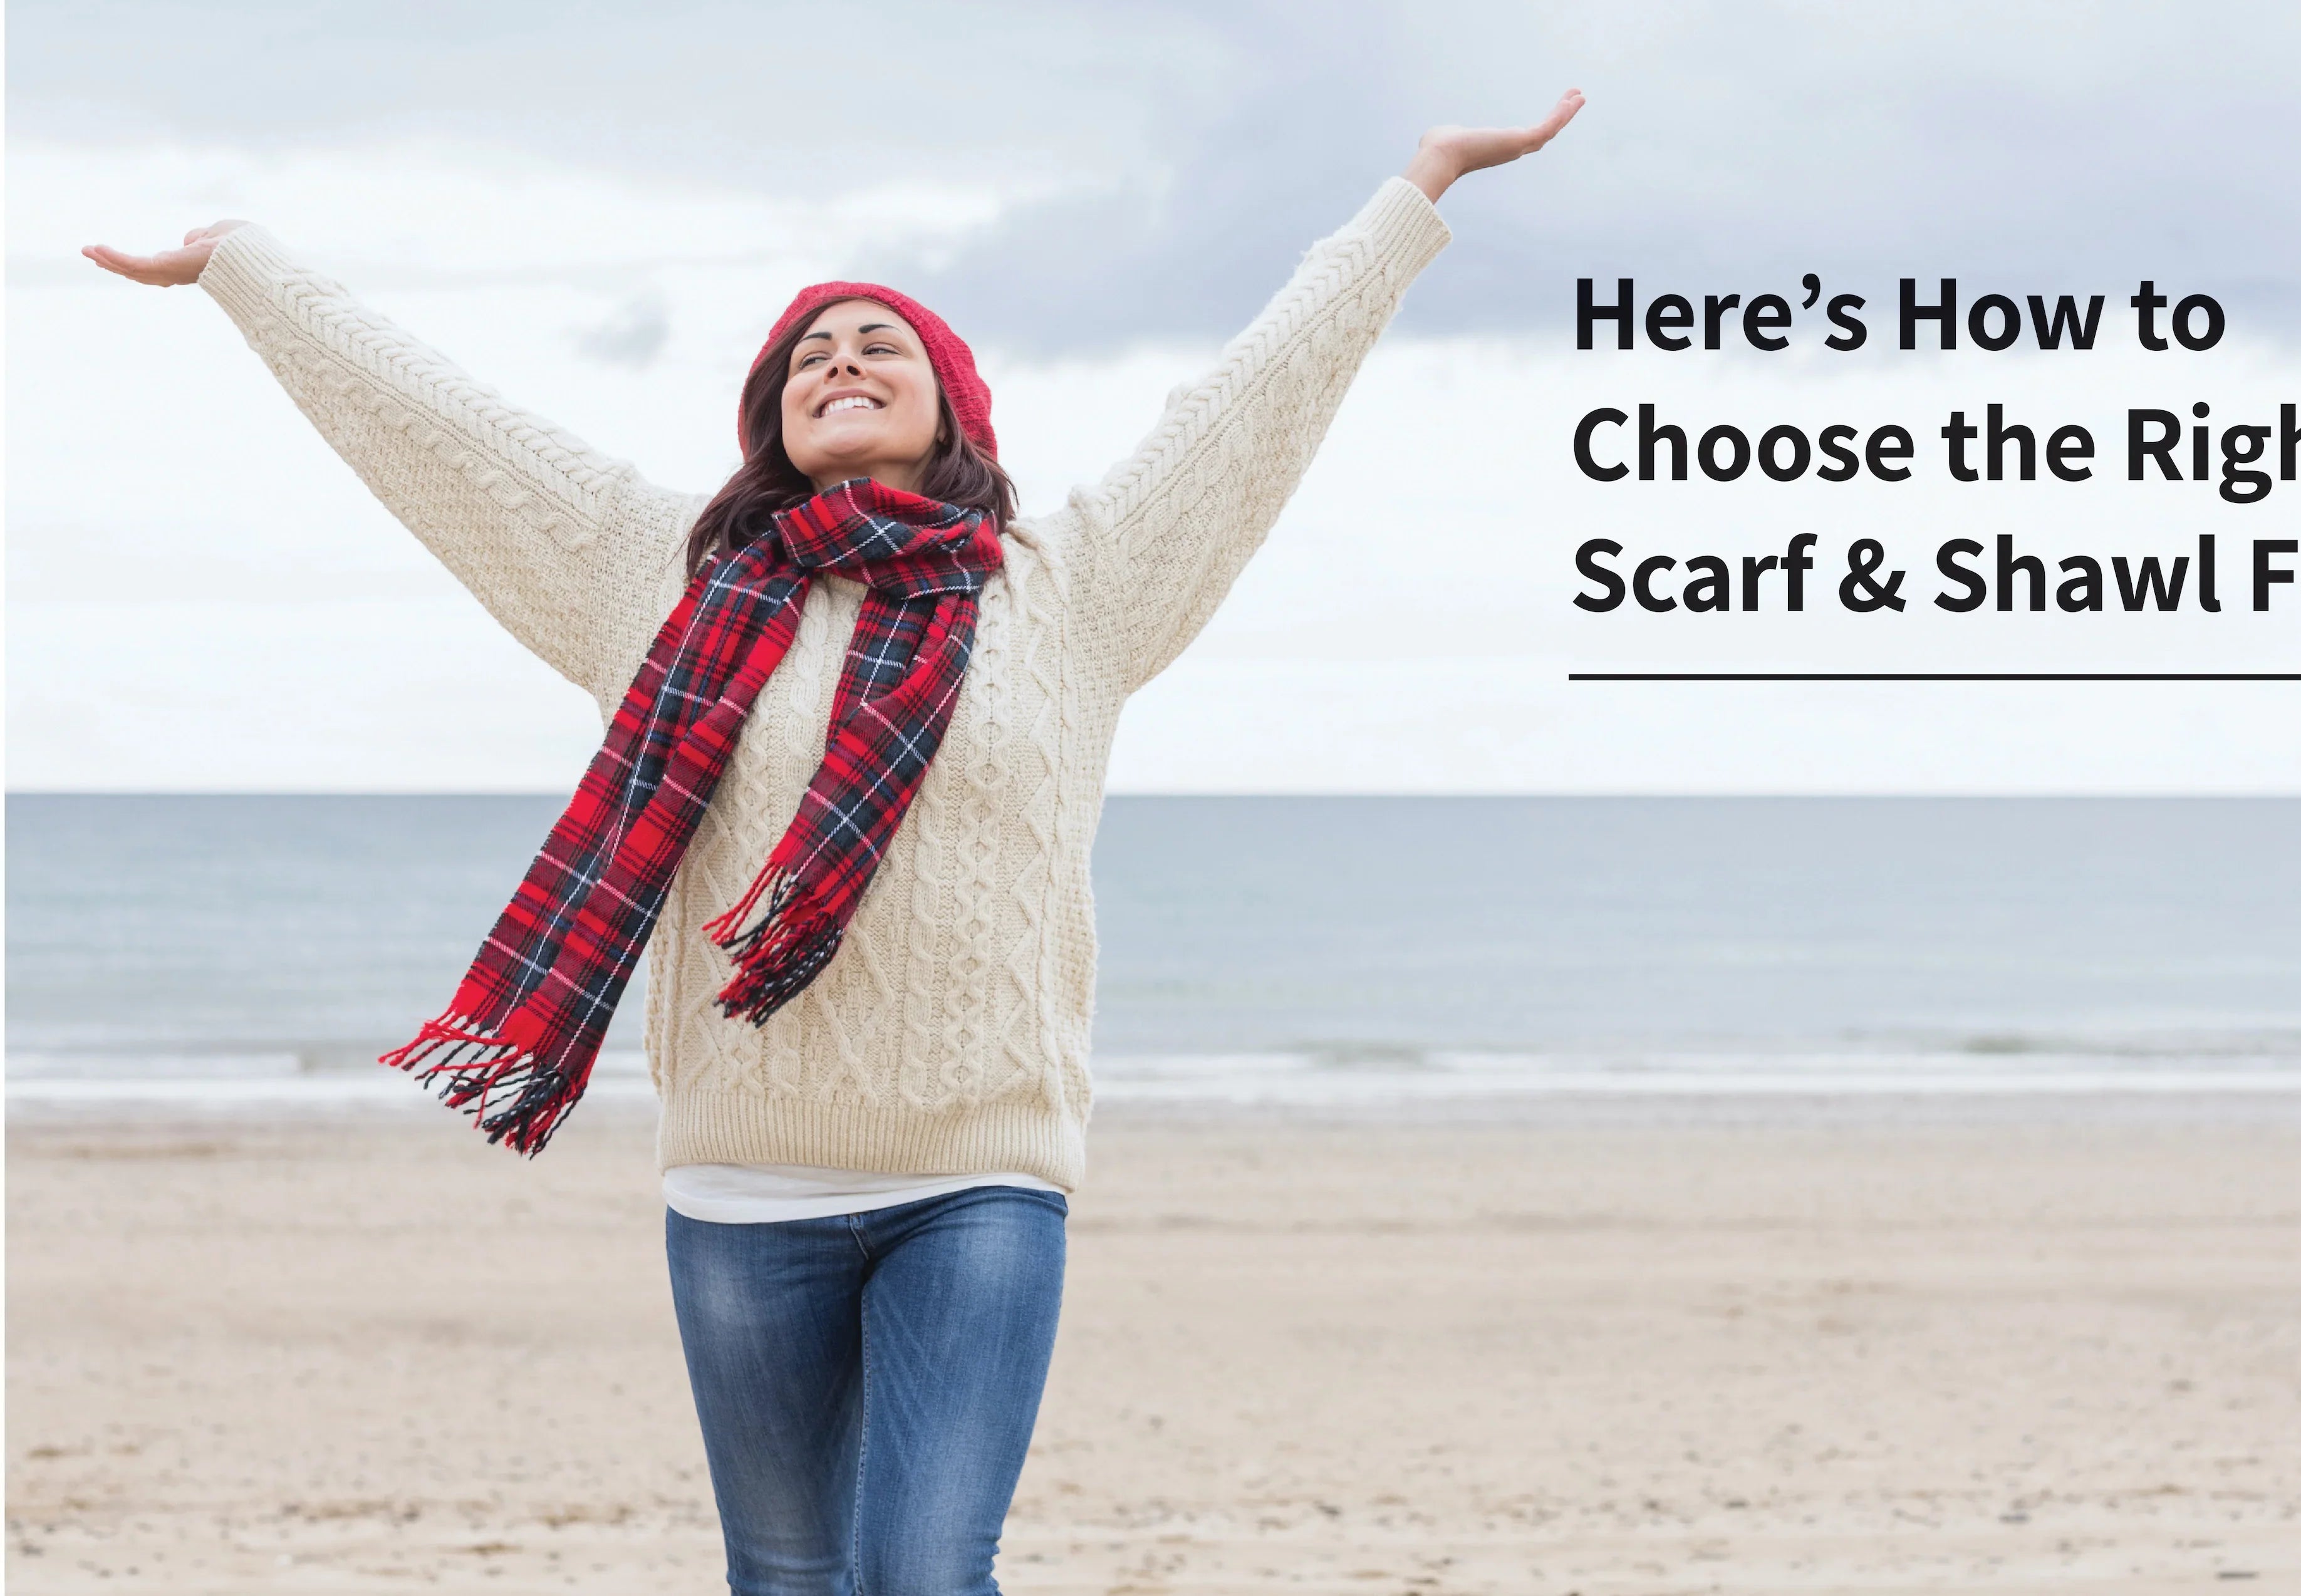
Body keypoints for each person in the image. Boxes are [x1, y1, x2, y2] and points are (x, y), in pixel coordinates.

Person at [80, 88, 1582, 1596]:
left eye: (880, 346)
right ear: (773, 421)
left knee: (925, 1574)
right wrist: (246, 270)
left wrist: (1418, 191)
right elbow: (451, 436)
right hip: (741, 1188)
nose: (840, 361)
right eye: (809, 353)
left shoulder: (1070, 591)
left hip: (979, 1175)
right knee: (790, 1582)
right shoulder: (658, 578)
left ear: (954, 412)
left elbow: (1254, 406)